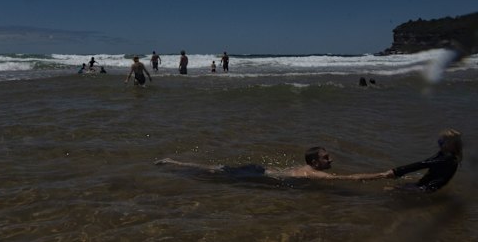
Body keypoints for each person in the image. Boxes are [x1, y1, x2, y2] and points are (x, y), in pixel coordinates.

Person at [156, 146, 392, 181]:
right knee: (210, 171)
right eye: (326, 158)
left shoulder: (308, 169)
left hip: (260, 170)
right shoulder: (313, 174)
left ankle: (171, 161)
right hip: (257, 175)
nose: (331, 160)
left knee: (213, 168)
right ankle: (172, 162)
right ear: (314, 162)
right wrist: (384, 174)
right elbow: (346, 179)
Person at [387, 128, 463, 192]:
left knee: (391, 189)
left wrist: (396, 172)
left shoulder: (446, 159)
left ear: (449, 145)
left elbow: (422, 164)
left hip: (426, 188)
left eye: (441, 141)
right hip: (427, 185)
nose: (438, 142)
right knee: (404, 183)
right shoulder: (446, 155)